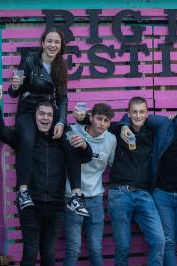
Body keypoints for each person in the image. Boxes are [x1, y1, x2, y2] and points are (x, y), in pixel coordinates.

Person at [0, 89, 93, 266]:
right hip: (30, 204)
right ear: (35, 116)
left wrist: (84, 145)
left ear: (54, 118)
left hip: (55, 205)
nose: (45, 118)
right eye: (41, 114)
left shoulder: (62, 141)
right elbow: (1, 132)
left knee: (49, 254)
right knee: (30, 252)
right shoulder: (25, 138)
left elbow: (84, 158)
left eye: (49, 115)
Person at [77, 97, 165, 266]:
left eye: (141, 112)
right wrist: (123, 124)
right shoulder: (117, 130)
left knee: (159, 240)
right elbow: (96, 124)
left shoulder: (152, 133)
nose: (138, 115)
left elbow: (165, 121)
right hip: (120, 193)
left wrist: (126, 122)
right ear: (128, 114)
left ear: (147, 114)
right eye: (134, 112)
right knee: (123, 246)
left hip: (144, 195)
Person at [8, 28, 85, 213]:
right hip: (28, 110)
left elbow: (63, 98)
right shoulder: (29, 60)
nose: (52, 45)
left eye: (56, 42)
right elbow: (13, 92)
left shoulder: (60, 66)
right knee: (26, 140)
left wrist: (60, 121)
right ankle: (23, 191)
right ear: (43, 43)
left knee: (71, 141)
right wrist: (14, 85)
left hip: (49, 114)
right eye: (49, 41)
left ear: (61, 46)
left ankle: (76, 195)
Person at [121, 96, 177, 266]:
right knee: (168, 241)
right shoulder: (164, 124)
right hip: (162, 194)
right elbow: (135, 116)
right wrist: (123, 125)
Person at [63, 103, 117, 266]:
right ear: (90, 117)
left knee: (95, 248)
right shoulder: (73, 131)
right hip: (71, 197)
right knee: (73, 249)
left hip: (95, 198)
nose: (102, 124)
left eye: (106, 121)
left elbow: (114, 164)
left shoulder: (111, 139)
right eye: (99, 119)